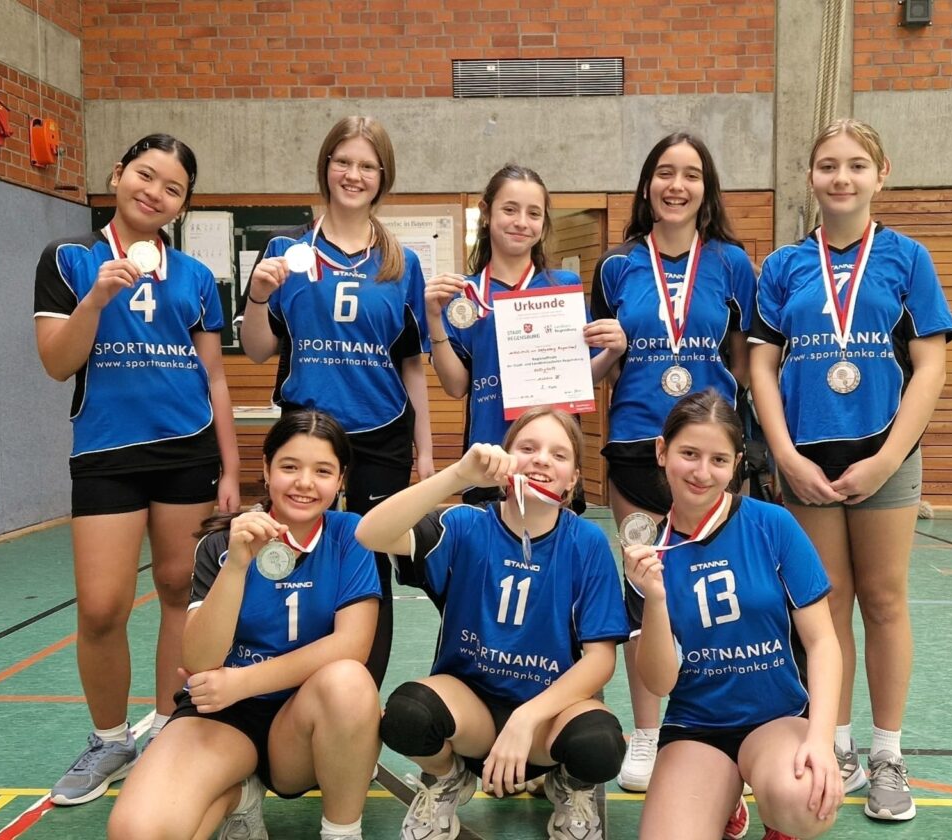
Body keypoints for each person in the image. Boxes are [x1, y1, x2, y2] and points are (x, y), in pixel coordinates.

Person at [749, 118, 952, 822]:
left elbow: (930, 364)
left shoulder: (907, 257)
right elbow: (761, 365)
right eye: (828, 165)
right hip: (806, 455)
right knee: (824, 603)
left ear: (881, 172)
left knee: (885, 599)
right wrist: (782, 454)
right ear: (810, 177)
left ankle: (887, 755)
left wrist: (889, 457)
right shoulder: (783, 266)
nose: (842, 177)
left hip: (883, 452)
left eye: (856, 165)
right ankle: (832, 742)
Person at [34, 134, 240, 805]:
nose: (154, 192)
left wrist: (232, 468)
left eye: (172, 188)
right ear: (118, 175)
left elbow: (214, 374)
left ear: (181, 207)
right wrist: (94, 299)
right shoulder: (68, 260)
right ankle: (109, 740)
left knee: (181, 591)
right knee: (100, 608)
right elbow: (57, 362)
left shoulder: (197, 279)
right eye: (145, 176)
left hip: (188, 451)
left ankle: (171, 732)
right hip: (105, 454)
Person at [355, 408, 629, 840]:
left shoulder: (587, 542)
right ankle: (448, 778)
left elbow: (599, 662)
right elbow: (369, 533)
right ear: (504, 460)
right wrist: (457, 475)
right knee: (406, 715)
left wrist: (526, 719)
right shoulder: (466, 525)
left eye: (558, 454)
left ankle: (568, 784)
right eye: (527, 448)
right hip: (471, 716)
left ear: (572, 479)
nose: (541, 459)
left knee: (600, 744)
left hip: (545, 722)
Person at [107, 410, 381, 840]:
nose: (305, 482)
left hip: (306, 721)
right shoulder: (221, 542)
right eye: (290, 467)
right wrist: (236, 565)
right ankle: (240, 797)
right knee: (136, 832)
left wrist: (244, 681)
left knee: (348, 681)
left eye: (323, 470)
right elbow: (199, 660)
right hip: (224, 714)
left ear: (342, 479)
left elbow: (353, 645)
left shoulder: (352, 536)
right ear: (267, 471)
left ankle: (342, 832)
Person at [239, 115, 432, 687]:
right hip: (306, 431)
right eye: (343, 161)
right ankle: (293, 695)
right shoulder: (285, 252)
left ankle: (358, 702)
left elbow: (411, 363)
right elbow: (255, 350)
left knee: (368, 568)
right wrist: (256, 297)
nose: (353, 174)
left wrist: (424, 454)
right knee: (296, 559)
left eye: (367, 165)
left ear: (383, 177)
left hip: (382, 432)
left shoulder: (402, 263)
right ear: (325, 166)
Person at [590, 132, 757, 797]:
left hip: (711, 449)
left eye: (690, 174)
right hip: (636, 444)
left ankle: (720, 726)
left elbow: (743, 358)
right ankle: (649, 732)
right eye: (665, 172)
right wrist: (610, 349)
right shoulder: (617, 267)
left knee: (716, 587)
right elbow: (597, 370)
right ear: (648, 186)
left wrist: (733, 432)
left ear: (705, 189)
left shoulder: (733, 264)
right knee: (643, 590)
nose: (677, 185)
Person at [624, 390, 843, 840]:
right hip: (697, 726)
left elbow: (823, 642)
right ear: (663, 453)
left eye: (719, 460)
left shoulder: (773, 525)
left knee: (806, 801)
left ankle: (778, 823)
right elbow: (659, 683)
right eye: (689, 454)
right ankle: (722, 802)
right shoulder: (646, 554)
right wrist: (656, 598)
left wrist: (823, 741)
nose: (703, 472)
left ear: (736, 463)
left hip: (777, 718)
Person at [425, 163, 626, 506]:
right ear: (486, 214)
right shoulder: (465, 295)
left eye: (533, 213)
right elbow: (457, 386)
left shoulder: (563, 287)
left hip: (553, 462)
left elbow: (577, 379)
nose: (521, 222)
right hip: (489, 459)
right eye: (510, 209)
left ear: (543, 223)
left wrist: (612, 352)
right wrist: (433, 318)